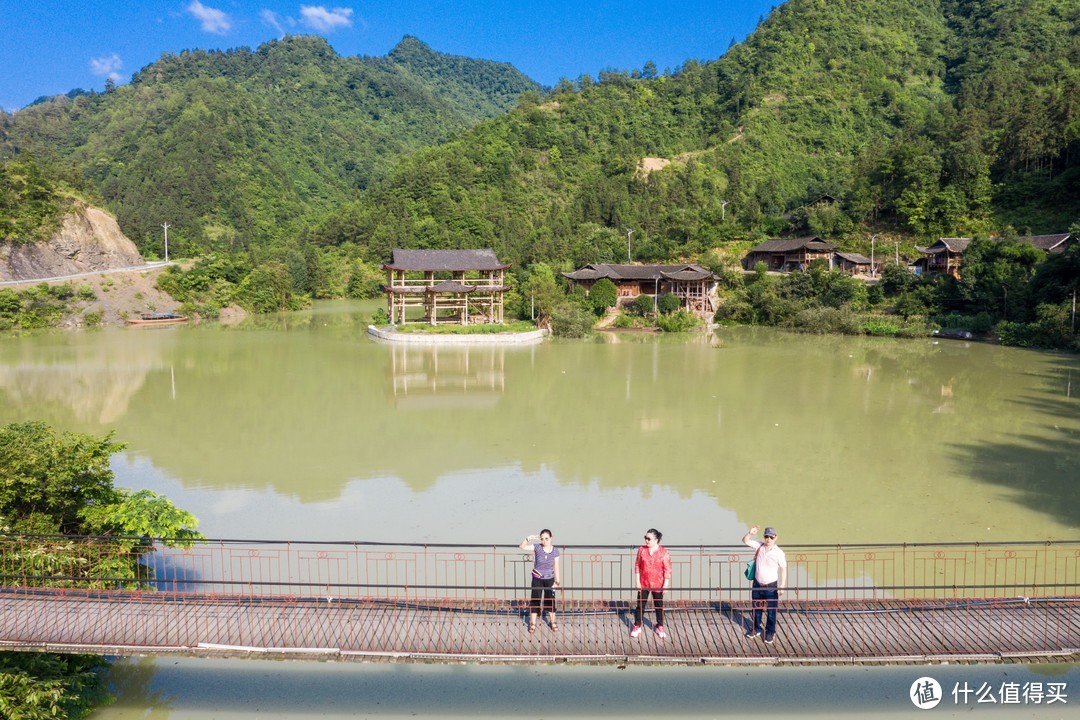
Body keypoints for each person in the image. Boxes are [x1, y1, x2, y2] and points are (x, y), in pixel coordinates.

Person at [741, 525, 787, 644]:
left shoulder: (779, 553)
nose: (768, 539)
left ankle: (770, 631)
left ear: (776, 538)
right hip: (757, 583)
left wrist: (782, 585)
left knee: (771, 610)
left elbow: (783, 568)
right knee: (757, 608)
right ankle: (756, 628)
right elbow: (745, 541)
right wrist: (750, 533)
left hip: (771, 586)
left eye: (771, 537)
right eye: (766, 536)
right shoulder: (759, 546)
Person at [631, 528, 671, 639]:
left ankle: (660, 626)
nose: (646, 541)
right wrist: (637, 581)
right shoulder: (641, 550)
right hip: (644, 582)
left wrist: (665, 585)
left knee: (659, 606)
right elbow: (637, 566)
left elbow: (667, 569)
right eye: (645, 538)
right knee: (640, 605)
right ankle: (637, 625)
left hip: (658, 583)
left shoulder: (664, 552)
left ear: (656, 540)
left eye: (649, 539)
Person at [519, 529, 561, 633]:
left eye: (546, 539)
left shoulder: (555, 551)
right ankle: (532, 623)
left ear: (551, 538)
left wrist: (557, 581)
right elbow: (522, 546)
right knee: (535, 600)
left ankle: (553, 622)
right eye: (542, 539)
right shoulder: (537, 547)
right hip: (537, 578)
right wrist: (528, 538)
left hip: (549, 579)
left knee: (550, 600)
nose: (544, 541)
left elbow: (556, 566)